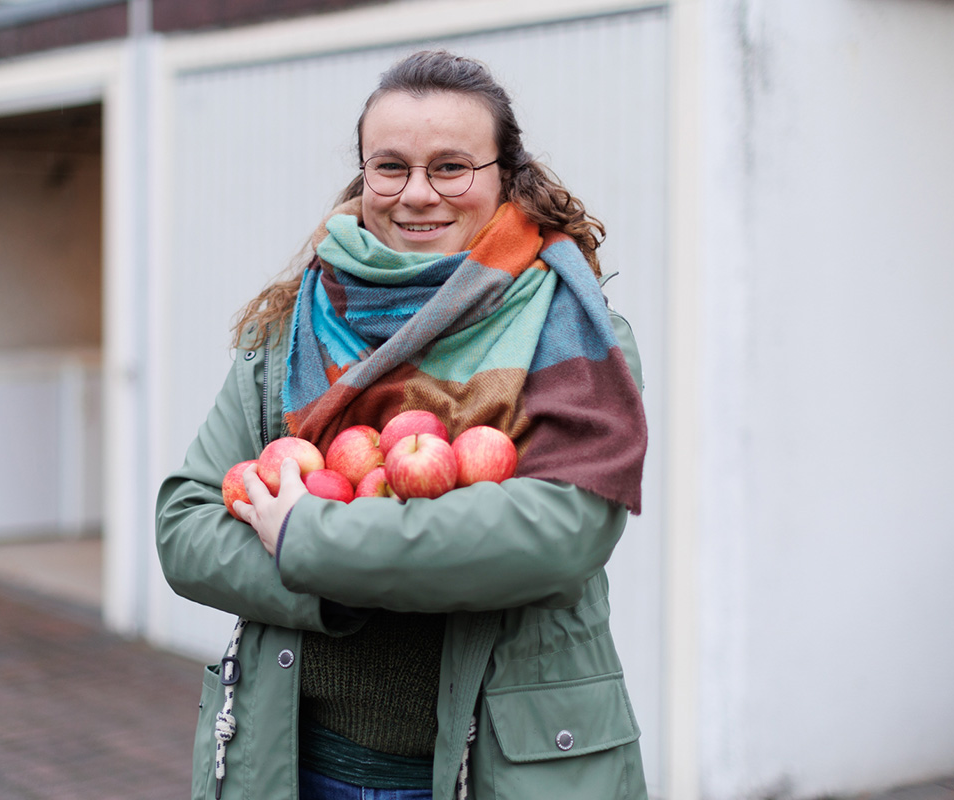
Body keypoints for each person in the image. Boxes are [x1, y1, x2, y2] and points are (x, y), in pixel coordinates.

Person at [156, 50, 649, 800]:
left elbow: (563, 529)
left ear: (502, 175)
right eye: (391, 168)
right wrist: (337, 591)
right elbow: (186, 526)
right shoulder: (294, 328)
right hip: (293, 760)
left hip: (501, 770)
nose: (417, 195)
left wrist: (309, 540)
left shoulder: (569, 328)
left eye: (451, 167)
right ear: (364, 175)